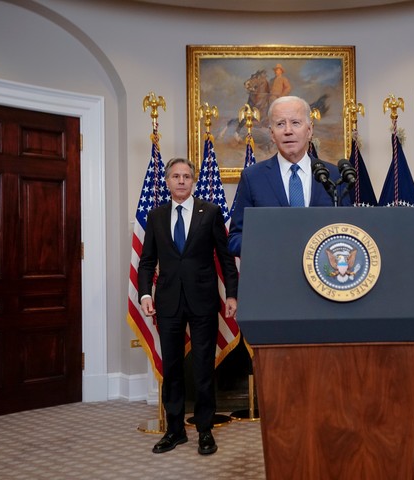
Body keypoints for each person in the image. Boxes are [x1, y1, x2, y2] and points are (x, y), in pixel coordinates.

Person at [137, 157, 238, 456]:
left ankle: (205, 430)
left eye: (186, 176)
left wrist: (231, 295)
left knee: (204, 366)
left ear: (193, 181)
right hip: (167, 302)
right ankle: (175, 430)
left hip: (203, 299)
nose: (181, 181)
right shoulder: (156, 216)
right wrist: (145, 294)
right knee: (172, 368)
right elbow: (146, 263)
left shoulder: (211, 212)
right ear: (167, 181)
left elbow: (225, 257)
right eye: (176, 176)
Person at [228, 95, 351, 256]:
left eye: (295, 123)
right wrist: (267, 244)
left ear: (309, 130)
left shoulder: (334, 176)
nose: (288, 131)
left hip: (323, 274)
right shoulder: (253, 177)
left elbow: (349, 231)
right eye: (280, 124)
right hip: (273, 274)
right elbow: (235, 239)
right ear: (272, 134)